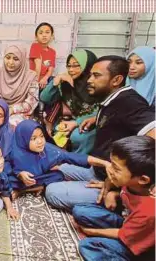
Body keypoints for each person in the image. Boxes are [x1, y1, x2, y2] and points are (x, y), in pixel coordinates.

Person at [45, 55, 156, 211]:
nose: (89, 80)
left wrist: (121, 184)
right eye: (90, 74)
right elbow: (117, 120)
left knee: (53, 192)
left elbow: (152, 137)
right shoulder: (111, 100)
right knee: (53, 167)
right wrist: (94, 119)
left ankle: (119, 204)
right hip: (97, 170)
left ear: (116, 80)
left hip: (113, 179)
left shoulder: (130, 102)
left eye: (96, 76)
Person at [72, 136, 155, 261]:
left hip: (138, 243)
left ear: (143, 180)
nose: (109, 170)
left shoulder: (149, 210)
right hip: (128, 222)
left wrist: (91, 231)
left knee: (88, 245)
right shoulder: (132, 184)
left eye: (115, 168)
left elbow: (123, 235)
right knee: (80, 211)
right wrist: (114, 194)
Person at [9, 120, 110, 199]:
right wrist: (20, 174)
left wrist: (104, 163)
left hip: (38, 178)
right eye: (33, 139)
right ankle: (23, 189)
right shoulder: (14, 150)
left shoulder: (48, 149)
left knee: (58, 175)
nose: (40, 141)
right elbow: (6, 167)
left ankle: (26, 190)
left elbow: (74, 157)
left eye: (41, 136)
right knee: (6, 181)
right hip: (18, 179)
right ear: (23, 139)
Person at [40, 50, 99, 154]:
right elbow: (45, 98)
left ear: (88, 66)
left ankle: (79, 163)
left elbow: (100, 111)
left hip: (92, 122)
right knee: (58, 130)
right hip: (70, 119)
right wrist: (56, 80)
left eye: (76, 66)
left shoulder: (97, 84)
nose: (71, 70)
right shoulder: (66, 82)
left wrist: (76, 123)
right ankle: (65, 160)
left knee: (77, 135)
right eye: (69, 66)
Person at [0, 45, 39, 127]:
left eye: (16, 59)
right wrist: (0, 109)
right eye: (8, 57)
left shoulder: (31, 76)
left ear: (22, 60)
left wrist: (12, 109)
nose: (10, 62)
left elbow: (31, 103)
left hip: (20, 113)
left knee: (11, 124)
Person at [29, 22, 56, 89]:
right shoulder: (35, 46)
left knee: (56, 80)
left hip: (45, 82)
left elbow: (50, 70)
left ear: (52, 36)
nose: (44, 35)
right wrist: (35, 85)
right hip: (34, 81)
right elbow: (37, 67)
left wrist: (45, 79)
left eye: (47, 32)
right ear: (36, 37)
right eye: (41, 33)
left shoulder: (52, 52)